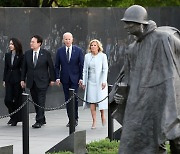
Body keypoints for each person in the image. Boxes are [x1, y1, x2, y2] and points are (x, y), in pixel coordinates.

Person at [114, 5, 180, 154]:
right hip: (141, 100)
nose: (126, 27)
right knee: (142, 139)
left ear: (140, 24)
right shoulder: (132, 48)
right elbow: (127, 77)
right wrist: (121, 95)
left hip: (166, 94)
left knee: (175, 135)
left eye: (129, 23)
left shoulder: (164, 37)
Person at [21, 35, 55, 128]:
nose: (31, 43)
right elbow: (24, 68)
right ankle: (42, 118)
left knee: (41, 100)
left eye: (33, 42)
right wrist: (22, 79)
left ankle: (39, 120)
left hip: (43, 81)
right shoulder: (27, 54)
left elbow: (51, 67)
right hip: (31, 82)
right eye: (31, 41)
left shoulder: (45, 53)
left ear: (39, 43)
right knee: (35, 101)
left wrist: (52, 79)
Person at [55, 32, 84, 127]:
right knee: (67, 99)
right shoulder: (60, 51)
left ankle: (75, 118)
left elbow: (81, 65)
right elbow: (56, 66)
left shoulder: (78, 50)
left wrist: (81, 78)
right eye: (66, 39)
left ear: (72, 40)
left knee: (74, 99)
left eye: (69, 39)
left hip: (75, 79)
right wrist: (57, 77)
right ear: (63, 40)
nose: (67, 41)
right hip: (65, 79)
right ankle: (70, 119)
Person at [80, 39, 108, 129]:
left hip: (100, 82)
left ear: (98, 47)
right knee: (92, 102)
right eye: (91, 45)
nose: (93, 47)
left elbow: (105, 69)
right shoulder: (87, 56)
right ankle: (94, 121)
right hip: (90, 82)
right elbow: (84, 70)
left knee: (100, 101)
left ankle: (103, 116)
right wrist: (84, 82)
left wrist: (104, 81)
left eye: (95, 45)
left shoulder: (103, 56)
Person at [3, 38, 23, 126]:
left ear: (16, 45)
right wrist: (4, 79)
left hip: (17, 80)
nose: (10, 45)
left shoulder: (21, 55)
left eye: (12, 44)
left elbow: (23, 69)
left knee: (17, 100)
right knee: (7, 100)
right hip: (9, 80)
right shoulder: (7, 55)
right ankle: (13, 116)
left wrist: (23, 80)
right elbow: (6, 68)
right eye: (10, 44)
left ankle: (15, 119)